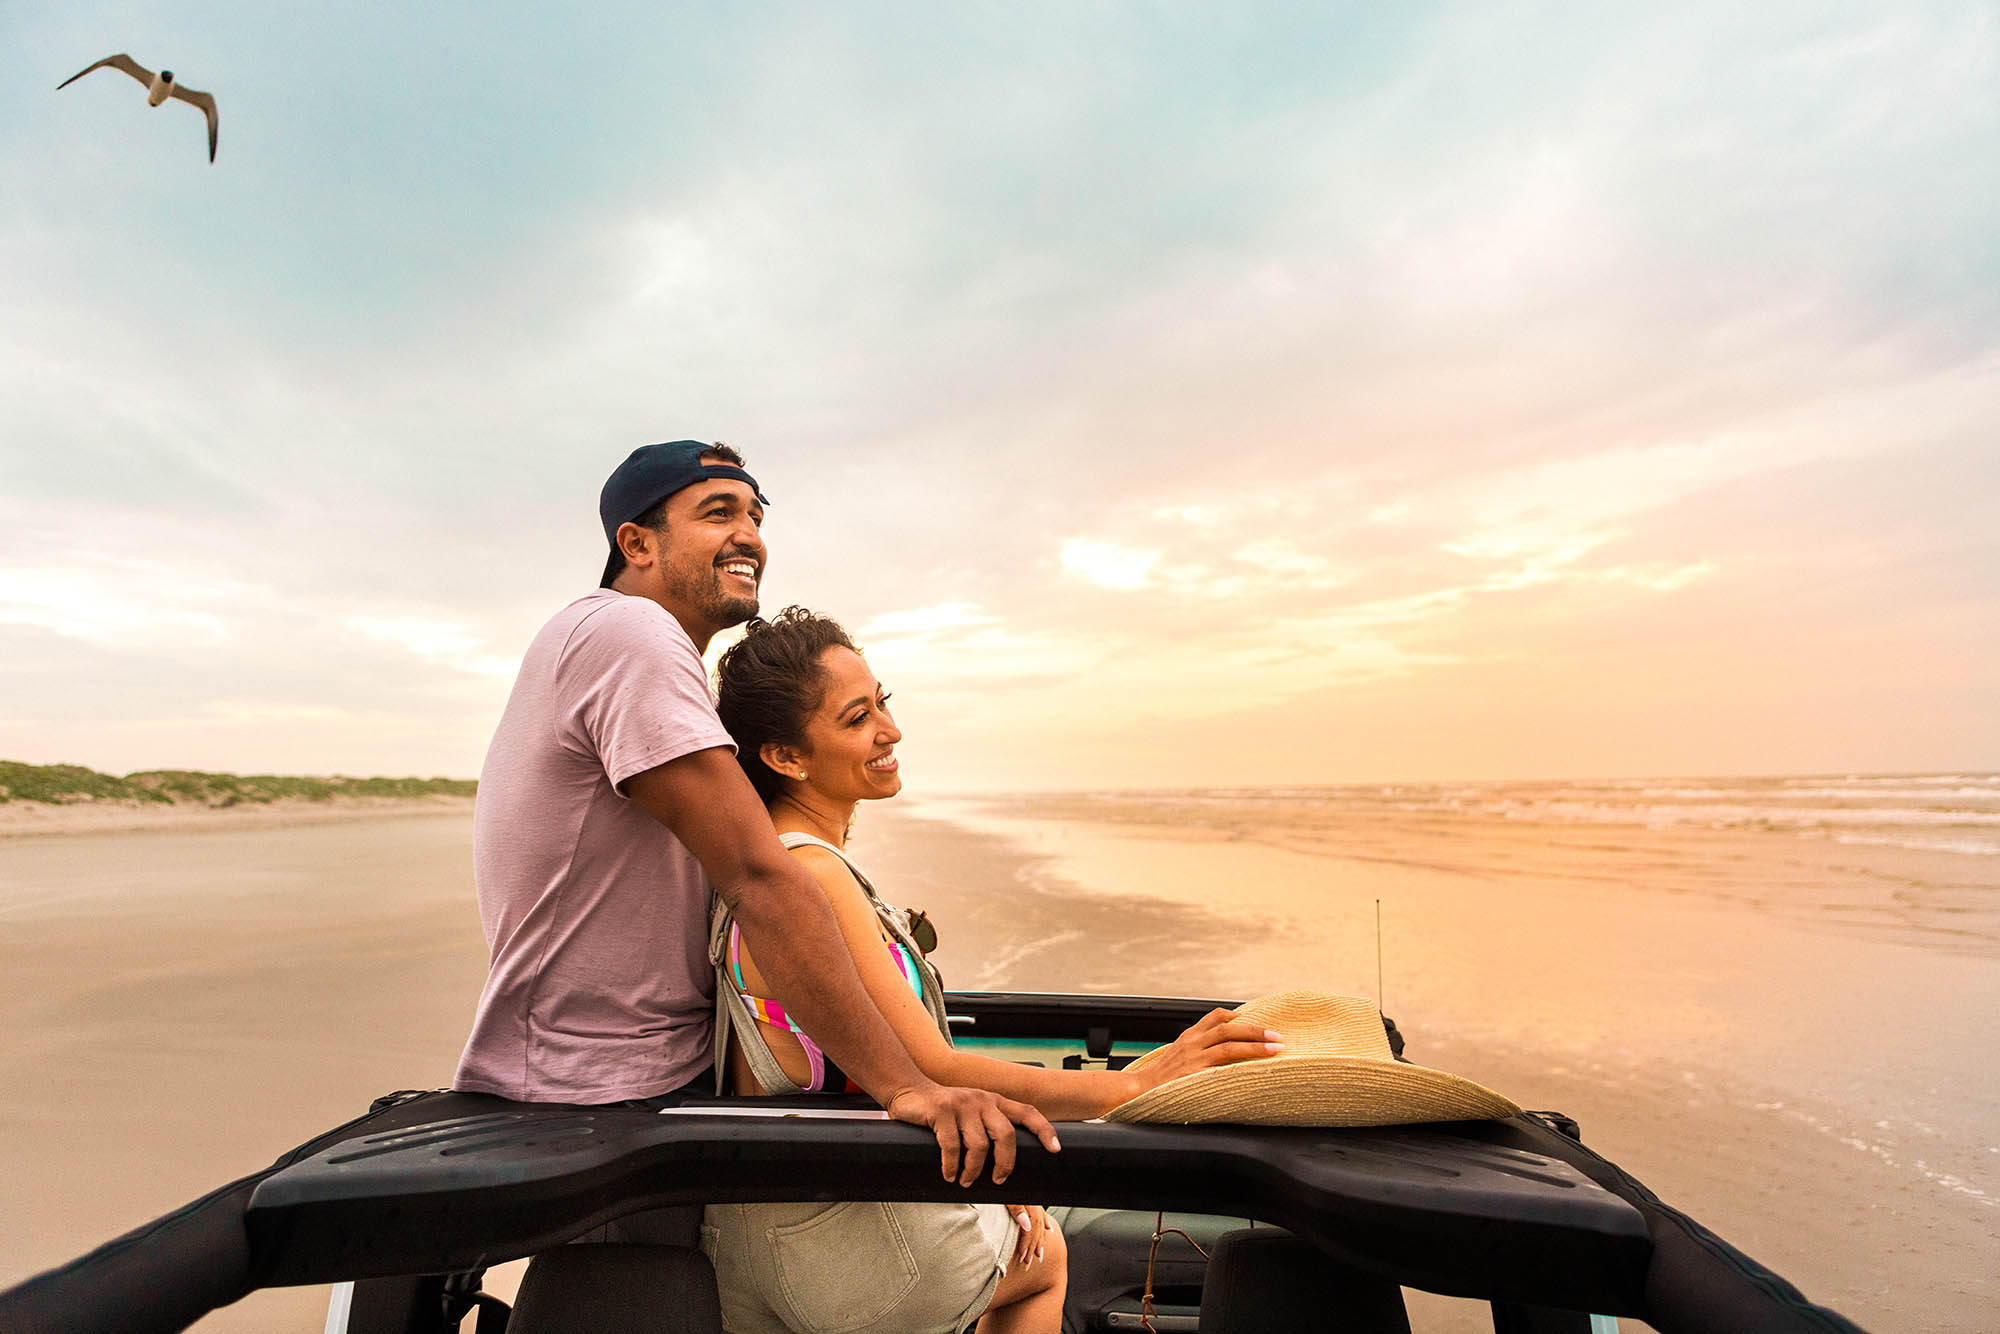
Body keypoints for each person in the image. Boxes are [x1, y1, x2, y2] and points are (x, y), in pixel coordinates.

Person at [453, 440, 1057, 1190]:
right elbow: (757, 875)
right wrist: (906, 1087)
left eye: (755, 515)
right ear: (635, 543)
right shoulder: (629, 636)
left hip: (616, 1084)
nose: (749, 535)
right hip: (603, 1099)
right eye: (717, 513)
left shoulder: (629, 651)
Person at [702, 606, 1285, 1334]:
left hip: (747, 1241)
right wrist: (1138, 1085)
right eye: (857, 718)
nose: (891, 730)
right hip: (845, 1245)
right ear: (786, 758)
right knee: (1045, 1261)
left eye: (884, 700)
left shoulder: (762, 872)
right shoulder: (812, 875)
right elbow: (930, 1067)